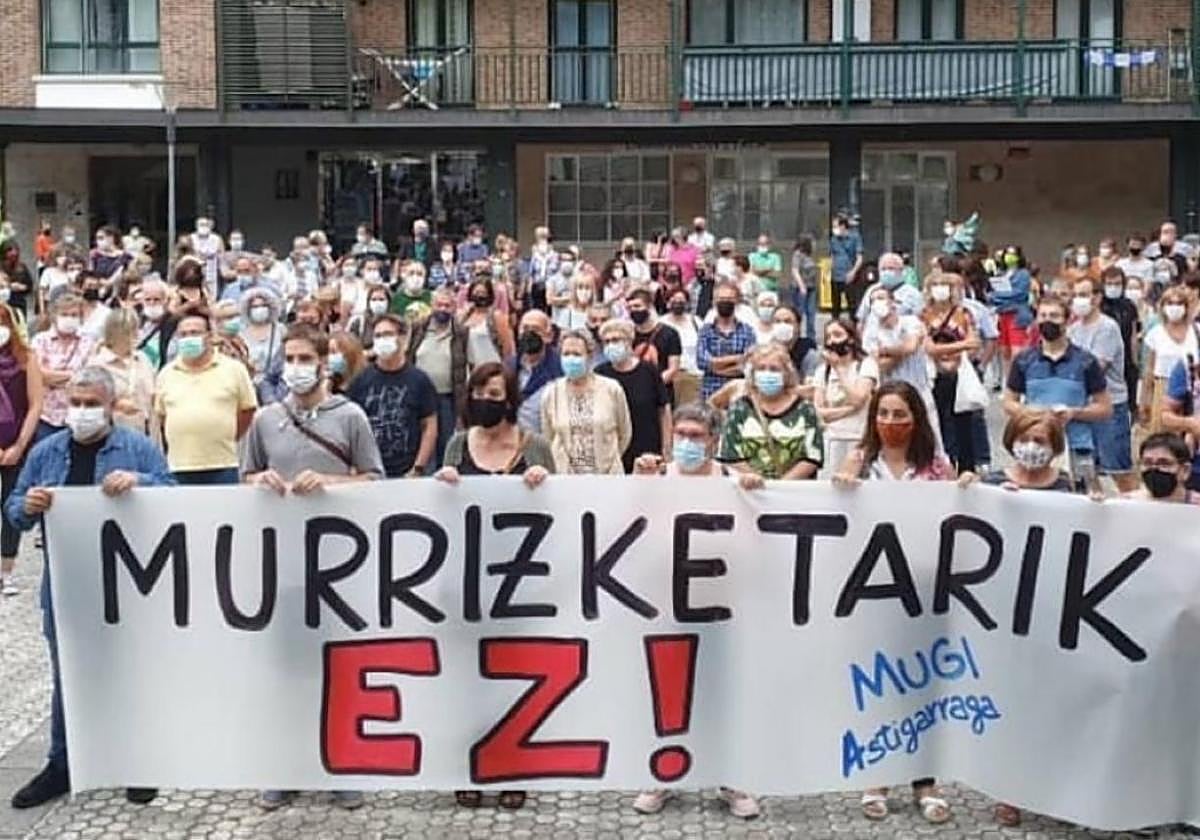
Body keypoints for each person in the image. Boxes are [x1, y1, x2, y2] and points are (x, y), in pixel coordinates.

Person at [7, 367, 173, 809]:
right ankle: (63, 764)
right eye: (76, 403)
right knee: (69, 674)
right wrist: (28, 505)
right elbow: (14, 510)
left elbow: (172, 494)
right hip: (66, 583)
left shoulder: (136, 449)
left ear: (110, 405)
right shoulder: (46, 452)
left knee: (130, 671)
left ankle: (137, 761)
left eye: (91, 404)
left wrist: (141, 483)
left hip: (127, 584)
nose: (82, 412)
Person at [242, 325, 381, 812]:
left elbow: (374, 480)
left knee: (338, 668)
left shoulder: (351, 417)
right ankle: (284, 765)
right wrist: (258, 481)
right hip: (281, 564)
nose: (295, 367)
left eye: (305, 358)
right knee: (286, 670)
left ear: (325, 364)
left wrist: (329, 483)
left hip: (338, 565)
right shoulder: (266, 420)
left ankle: (341, 766)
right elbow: (244, 477)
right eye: (290, 358)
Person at [629, 401, 762, 822]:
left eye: (696, 436)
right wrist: (637, 484)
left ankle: (731, 777)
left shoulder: (732, 481)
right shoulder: (657, 478)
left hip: (722, 603)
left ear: (713, 440)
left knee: (722, 691)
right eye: (681, 435)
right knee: (669, 691)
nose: (687, 442)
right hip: (666, 600)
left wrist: (757, 491)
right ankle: (662, 774)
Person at [832, 380, 953, 825]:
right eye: (883, 414)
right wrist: (843, 485)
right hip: (874, 590)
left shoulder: (936, 466)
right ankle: (878, 774)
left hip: (924, 590)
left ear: (916, 419)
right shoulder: (861, 461)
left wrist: (969, 489)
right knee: (879, 682)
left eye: (899, 414)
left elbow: (954, 517)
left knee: (923, 684)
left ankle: (925, 780)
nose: (890, 422)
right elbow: (839, 510)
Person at [433, 360, 552, 812]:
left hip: (519, 585)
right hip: (466, 581)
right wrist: (442, 486)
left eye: (495, 394)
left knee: (513, 678)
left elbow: (560, 510)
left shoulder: (534, 447)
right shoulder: (457, 445)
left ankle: (512, 767)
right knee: (467, 680)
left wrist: (544, 486)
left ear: (510, 399)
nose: (486, 401)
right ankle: (466, 766)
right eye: (479, 393)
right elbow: (440, 514)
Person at [1004, 296, 1111, 489]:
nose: (1048, 321)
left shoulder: (1086, 362)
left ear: (1067, 320)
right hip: (1035, 444)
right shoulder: (1024, 360)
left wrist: (1074, 413)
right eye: (1043, 315)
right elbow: (1009, 402)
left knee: (1080, 495)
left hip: (1077, 445)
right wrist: (1033, 414)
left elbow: (1105, 408)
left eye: (1054, 316)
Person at [155, 311, 258, 485]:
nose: (188, 338)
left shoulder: (234, 369)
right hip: (179, 466)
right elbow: (162, 416)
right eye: (183, 334)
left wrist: (224, 434)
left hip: (223, 464)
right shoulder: (166, 374)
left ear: (209, 336)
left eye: (195, 333)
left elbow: (247, 410)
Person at [348, 314, 437, 478]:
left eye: (388, 334)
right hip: (369, 472)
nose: (382, 340)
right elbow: (351, 427)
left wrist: (418, 467)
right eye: (378, 336)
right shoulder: (361, 380)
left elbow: (429, 425)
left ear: (402, 338)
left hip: (407, 471)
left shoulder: (420, 380)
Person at [1068, 276, 1135, 491]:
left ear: (1097, 298)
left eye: (1083, 295)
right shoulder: (1073, 330)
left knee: (1117, 469)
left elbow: (1097, 368)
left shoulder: (1107, 327)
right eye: (1075, 295)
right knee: (1087, 470)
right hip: (1082, 407)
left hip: (1110, 406)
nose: (1078, 300)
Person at [540, 328, 631, 475]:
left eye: (576, 354)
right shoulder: (551, 393)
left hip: (607, 475)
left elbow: (624, 432)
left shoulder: (612, 389)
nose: (571, 358)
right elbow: (548, 435)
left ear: (590, 356)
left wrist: (608, 459)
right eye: (566, 354)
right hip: (565, 477)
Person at [861, 286, 940, 450]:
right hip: (890, 396)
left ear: (892, 302)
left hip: (919, 390)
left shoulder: (911, 322)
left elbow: (911, 346)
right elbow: (882, 365)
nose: (877, 303)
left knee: (931, 441)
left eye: (881, 298)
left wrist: (886, 351)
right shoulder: (870, 333)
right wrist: (901, 351)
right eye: (873, 300)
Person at [0, 302, 42, 596]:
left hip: (19, 444)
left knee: (10, 507)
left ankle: (6, 570)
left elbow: (35, 404)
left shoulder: (27, 359)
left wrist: (18, 446)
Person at [920, 273, 981, 472]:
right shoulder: (923, 315)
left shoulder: (964, 314)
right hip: (933, 375)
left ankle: (966, 469)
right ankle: (940, 467)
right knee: (936, 423)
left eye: (944, 284)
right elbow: (928, 348)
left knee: (964, 425)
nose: (940, 288)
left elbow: (974, 344)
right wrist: (960, 346)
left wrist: (945, 351)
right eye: (935, 284)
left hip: (959, 375)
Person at [594, 319, 670, 473]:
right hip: (612, 452)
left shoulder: (649, 371)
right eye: (606, 342)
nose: (611, 345)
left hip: (647, 450)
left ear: (629, 341)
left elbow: (663, 410)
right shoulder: (599, 373)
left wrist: (667, 447)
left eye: (616, 340)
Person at [408, 287, 468, 466]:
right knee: (422, 444)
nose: (443, 309)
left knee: (445, 443)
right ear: (432, 306)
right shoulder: (418, 328)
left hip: (447, 398)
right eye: (439, 305)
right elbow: (408, 356)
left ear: (454, 308)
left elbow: (467, 364)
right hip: (419, 397)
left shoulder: (461, 333)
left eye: (447, 306)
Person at [813, 318, 878, 474]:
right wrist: (851, 409)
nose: (832, 340)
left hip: (860, 438)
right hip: (831, 440)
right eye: (828, 336)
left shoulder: (866, 365)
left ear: (851, 338)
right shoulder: (822, 371)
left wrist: (839, 370)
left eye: (837, 335)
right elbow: (819, 412)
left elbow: (858, 398)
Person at [88, 308, 158, 446]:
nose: (136, 334)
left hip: (147, 434)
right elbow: (90, 400)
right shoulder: (97, 365)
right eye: (130, 331)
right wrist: (115, 405)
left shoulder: (143, 359)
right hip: (113, 437)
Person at [32, 295, 96, 440]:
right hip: (45, 416)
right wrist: (74, 375)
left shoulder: (89, 341)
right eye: (64, 314)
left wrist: (52, 377)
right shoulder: (40, 340)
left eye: (74, 315)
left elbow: (89, 376)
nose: (69, 318)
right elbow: (38, 374)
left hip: (78, 416)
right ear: (55, 316)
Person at [1139, 285, 1197, 433]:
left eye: (1179, 303)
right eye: (1170, 303)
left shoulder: (1196, 331)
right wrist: (1145, 400)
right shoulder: (1155, 333)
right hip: (1163, 388)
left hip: (1191, 389)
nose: (1174, 307)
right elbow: (1149, 369)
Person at [697, 281, 757, 400]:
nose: (725, 302)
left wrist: (715, 367)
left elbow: (748, 364)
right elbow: (702, 361)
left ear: (737, 301)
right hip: (710, 392)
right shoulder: (705, 331)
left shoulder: (747, 331)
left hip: (739, 394)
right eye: (721, 299)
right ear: (714, 302)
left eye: (729, 299)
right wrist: (738, 357)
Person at [509, 309, 561, 434]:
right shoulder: (508, 366)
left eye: (536, 329)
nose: (529, 334)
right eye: (525, 328)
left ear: (549, 336)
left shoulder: (560, 370)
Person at [1099, 265, 1141, 416]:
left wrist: (1136, 363)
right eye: (1109, 284)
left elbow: (1133, 335)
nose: (1113, 287)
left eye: (1117, 283)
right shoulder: (1099, 306)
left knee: (1129, 401)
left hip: (1126, 358)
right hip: (1105, 357)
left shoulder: (1129, 306)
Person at [238, 286, 286, 406]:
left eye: (263, 306)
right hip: (249, 387)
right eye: (254, 307)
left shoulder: (280, 330)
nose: (259, 309)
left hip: (275, 388)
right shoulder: (241, 334)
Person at [1124, 432, 1200, 504]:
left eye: (1164, 464)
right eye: (1147, 463)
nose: (1154, 469)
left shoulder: (1196, 505)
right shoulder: (1127, 503)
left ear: (1185, 470)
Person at [661, 287, 702, 406]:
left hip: (694, 375)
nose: (678, 304)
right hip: (671, 377)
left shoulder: (696, 322)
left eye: (681, 301)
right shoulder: (661, 323)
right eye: (674, 300)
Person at [460, 278, 515, 368]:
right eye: (477, 292)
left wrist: (506, 367)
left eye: (483, 293)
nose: (480, 295)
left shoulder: (496, 316)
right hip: (471, 367)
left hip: (493, 366)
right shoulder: (465, 317)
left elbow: (507, 346)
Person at [772, 305, 818, 384]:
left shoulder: (809, 354)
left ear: (798, 325)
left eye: (787, 321)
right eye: (777, 321)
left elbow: (810, 386)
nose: (782, 326)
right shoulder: (765, 352)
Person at [829, 214, 863, 321]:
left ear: (843, 226)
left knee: (852, 305)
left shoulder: (854, 237)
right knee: (835, 305)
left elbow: (859, 258)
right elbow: (832, 256)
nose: (834, 229)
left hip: (849, 275)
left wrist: (853, 272)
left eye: (836, 226)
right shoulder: (833, 239)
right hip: (835, 275)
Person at [790, 235, 819, 341]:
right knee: (799, 312)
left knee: (811, 313)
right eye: (813, 242)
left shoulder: (810, 255)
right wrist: (801, 285)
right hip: (800, 288)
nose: (815, 245)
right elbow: (795, 271)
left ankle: (811, 337)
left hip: (811, 287)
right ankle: (796, 335)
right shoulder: (797, 255)